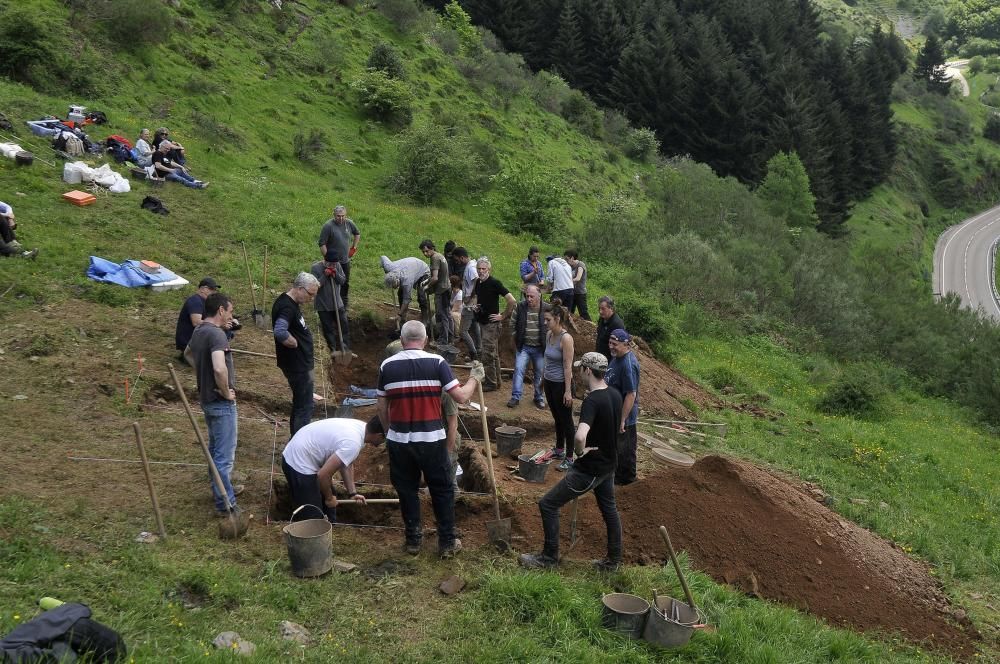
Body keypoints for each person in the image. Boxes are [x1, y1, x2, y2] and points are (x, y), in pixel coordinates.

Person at [376, 321, 486, 558]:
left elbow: (382, 408)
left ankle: (413, 540)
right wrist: (475, 377)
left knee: (406, 490)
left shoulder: (387, 365)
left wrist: (389, 434)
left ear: (403, 341)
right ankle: (446, 543)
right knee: (442, 489)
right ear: (425, 341)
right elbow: (462, 398)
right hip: (431, 440)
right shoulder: (437, 363)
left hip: (399, 440)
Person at [520, 352, 624, 571]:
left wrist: (580, 451)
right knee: (610, 510)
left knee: (547, 504)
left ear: (588, 370)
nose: (578, 373)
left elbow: (579, 435)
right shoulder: (614, 394)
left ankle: (549, 559)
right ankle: (613, 562)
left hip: (591, 469)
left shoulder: (592, 400)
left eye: (580, 369)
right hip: (609, 465)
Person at [183, 292, 244, 516]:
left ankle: (220, 491)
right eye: (230, 311)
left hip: (207, 400)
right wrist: (226, 391)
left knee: (215, 450)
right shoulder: (217, 335)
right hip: (220, 402)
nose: (231, 316)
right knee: (224, 457)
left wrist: (202, 373)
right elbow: (219, 367)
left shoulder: (199, 330)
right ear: (220, 310)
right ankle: (225, 504)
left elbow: (188, 354)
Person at [281, 417, 385, 522]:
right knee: (313, 515)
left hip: (304, 450)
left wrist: (352, 493)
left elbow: (346, 464)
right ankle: (312, 528)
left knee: (329, 503)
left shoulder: (362, 429)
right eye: (384, 439)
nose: (383, 442)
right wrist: (329, 498)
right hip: (297, 463)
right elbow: (323, 475)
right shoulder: (353, 443)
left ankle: (330, 526)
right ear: (379, 435)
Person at [272, 272, 319, 438]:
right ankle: (300, 444)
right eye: (310, 294)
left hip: (301, 364)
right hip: (297, 366)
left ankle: (297, 441)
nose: (311, 299)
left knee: (302, 403)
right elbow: (279, 331)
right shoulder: (286, 307)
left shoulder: (290, 302)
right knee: (304, 407)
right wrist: (293, 342)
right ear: (300, 288)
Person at [472, 257, 516, 391]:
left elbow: (512, 301)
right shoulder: (478, 283)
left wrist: (503, 316)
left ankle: (491, 383)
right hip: (483, 322)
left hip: (492, 325)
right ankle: (496, 381)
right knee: (494, 354)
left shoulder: (495, 283)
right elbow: (479, 298)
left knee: (488, 354)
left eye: (483, 269)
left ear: (489, 270)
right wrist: (476, 307)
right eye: (479, 269)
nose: (481, 271)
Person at [543, 299, 576, 471]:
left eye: (548, 320)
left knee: (567, 420)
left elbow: (567, 365)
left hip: (561, 385)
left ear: (557, 319)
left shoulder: (566, 338)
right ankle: (559, 449)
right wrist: (543, 379)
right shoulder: (549, 335)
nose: (545, 322)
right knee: (557, 418)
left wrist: (568, 391)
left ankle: (570, 457)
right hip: (549, 382)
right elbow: (547, 359)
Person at [606, 328, 640, 486]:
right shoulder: (617, 357)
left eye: (615, 344)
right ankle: (616, 478)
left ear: (626, 345)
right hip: (615, 412)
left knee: (625, 451)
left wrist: (623, 419)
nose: (611, 346)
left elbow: (631, 394)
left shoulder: (627, 364)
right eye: (610, 343)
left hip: (625, 416)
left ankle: (627, 484)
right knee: (616, 448)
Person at [508, 285, 548, 410]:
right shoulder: (520, 307)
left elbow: (553, 326)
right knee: (519, 369)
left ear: (539, 296)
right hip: (523, 346)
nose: (529, 299)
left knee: (540, 373)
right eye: (527, 296)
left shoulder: (547, 308)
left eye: (532, 296)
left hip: (540, 348)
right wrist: (516, 337)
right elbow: (512, 324)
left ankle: (539, 398)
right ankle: (515, 397)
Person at [318, 205, 361, 308]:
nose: (341, 218)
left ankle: (343, 306)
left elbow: (357, 234)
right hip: (333, 262)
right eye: (338, 216)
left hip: (345, 261)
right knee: (331, 283)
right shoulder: (328, 226)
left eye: (343, 216)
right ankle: (330, 305)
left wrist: (353, 248)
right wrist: (328, 258)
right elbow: (322, 243)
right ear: (334, 215)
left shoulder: (349, 223)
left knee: (345, 283)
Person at [309, 251, 349, 353]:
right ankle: (333, 350)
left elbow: (343, 281)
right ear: (325, 261)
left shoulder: (337, 265)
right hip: (323, 306)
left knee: (343, 325)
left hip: (337, 303)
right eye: (330, 264)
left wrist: (335, 274)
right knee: (328, 329)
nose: (332, 266)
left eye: (334, 264)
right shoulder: (315, 268)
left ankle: (345, 348)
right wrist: (325, 275)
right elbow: (315, 286)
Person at [175, 277, 221, 363]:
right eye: (211, 289)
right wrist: (218, 324)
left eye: (215, 290)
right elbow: (196, 322)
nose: (214, 292)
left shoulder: (204, 302)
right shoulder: (195, 301)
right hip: (188, 341)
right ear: (202, 289)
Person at [380, 255, 430, 327]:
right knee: (400, 293)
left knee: (421, 296)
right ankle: (403, 317)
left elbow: (407, 300)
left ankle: (425, 320)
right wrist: (385, 269)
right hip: (411, 265)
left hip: (423, 270)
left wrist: (399, 314)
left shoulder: (407, 282)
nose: (394, 288)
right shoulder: (389, 267)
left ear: (397, 281)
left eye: (394, 286)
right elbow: (383, 257)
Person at [419, 239, 452, 344]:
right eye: (423, 252)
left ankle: (443, 340)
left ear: (432, 248)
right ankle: (450, 338)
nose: (425, 253)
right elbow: (436, 276)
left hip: (442, 290)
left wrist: (427, 286)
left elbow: (435, 278)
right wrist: (426, 281)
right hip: (446, 288)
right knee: (447, 315)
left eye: (426, 251)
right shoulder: (439, 255)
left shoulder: (434, 258)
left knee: (442, 315)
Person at [453, 247, 480, 360]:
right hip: (473, 304)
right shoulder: (471, 265)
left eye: (457, 260)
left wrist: (470, 297)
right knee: (474, 327)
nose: (457, 262)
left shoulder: (471, 268)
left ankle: (474, 354)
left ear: (462, 257)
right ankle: (479, 350)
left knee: (463, 331)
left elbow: (477, 281)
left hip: (470, 305)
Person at [595, 296, 624, 361]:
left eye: (603, 309)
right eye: (599, 308)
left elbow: (619, 347)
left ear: (611, 308)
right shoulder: (602, 318)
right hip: (599, 356)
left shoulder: (617, 324)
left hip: (609, 360)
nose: (600, 311)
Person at [565, 249, 590, 321]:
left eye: (567, 259)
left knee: (583, 313)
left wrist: (567, 281)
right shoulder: (570, 267)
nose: (566, 261)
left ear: (572, 258)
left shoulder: (580, 265)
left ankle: (594, 329)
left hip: (580, 294)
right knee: (570, 311)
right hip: (572, 292)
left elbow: (578, 278)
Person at [448, 275, 463, 340]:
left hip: (459, 314)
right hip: (453, 310)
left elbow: (455, 309)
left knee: (452, 315)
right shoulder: (452, 292)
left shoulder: (460, 295)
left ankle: (457, 335)